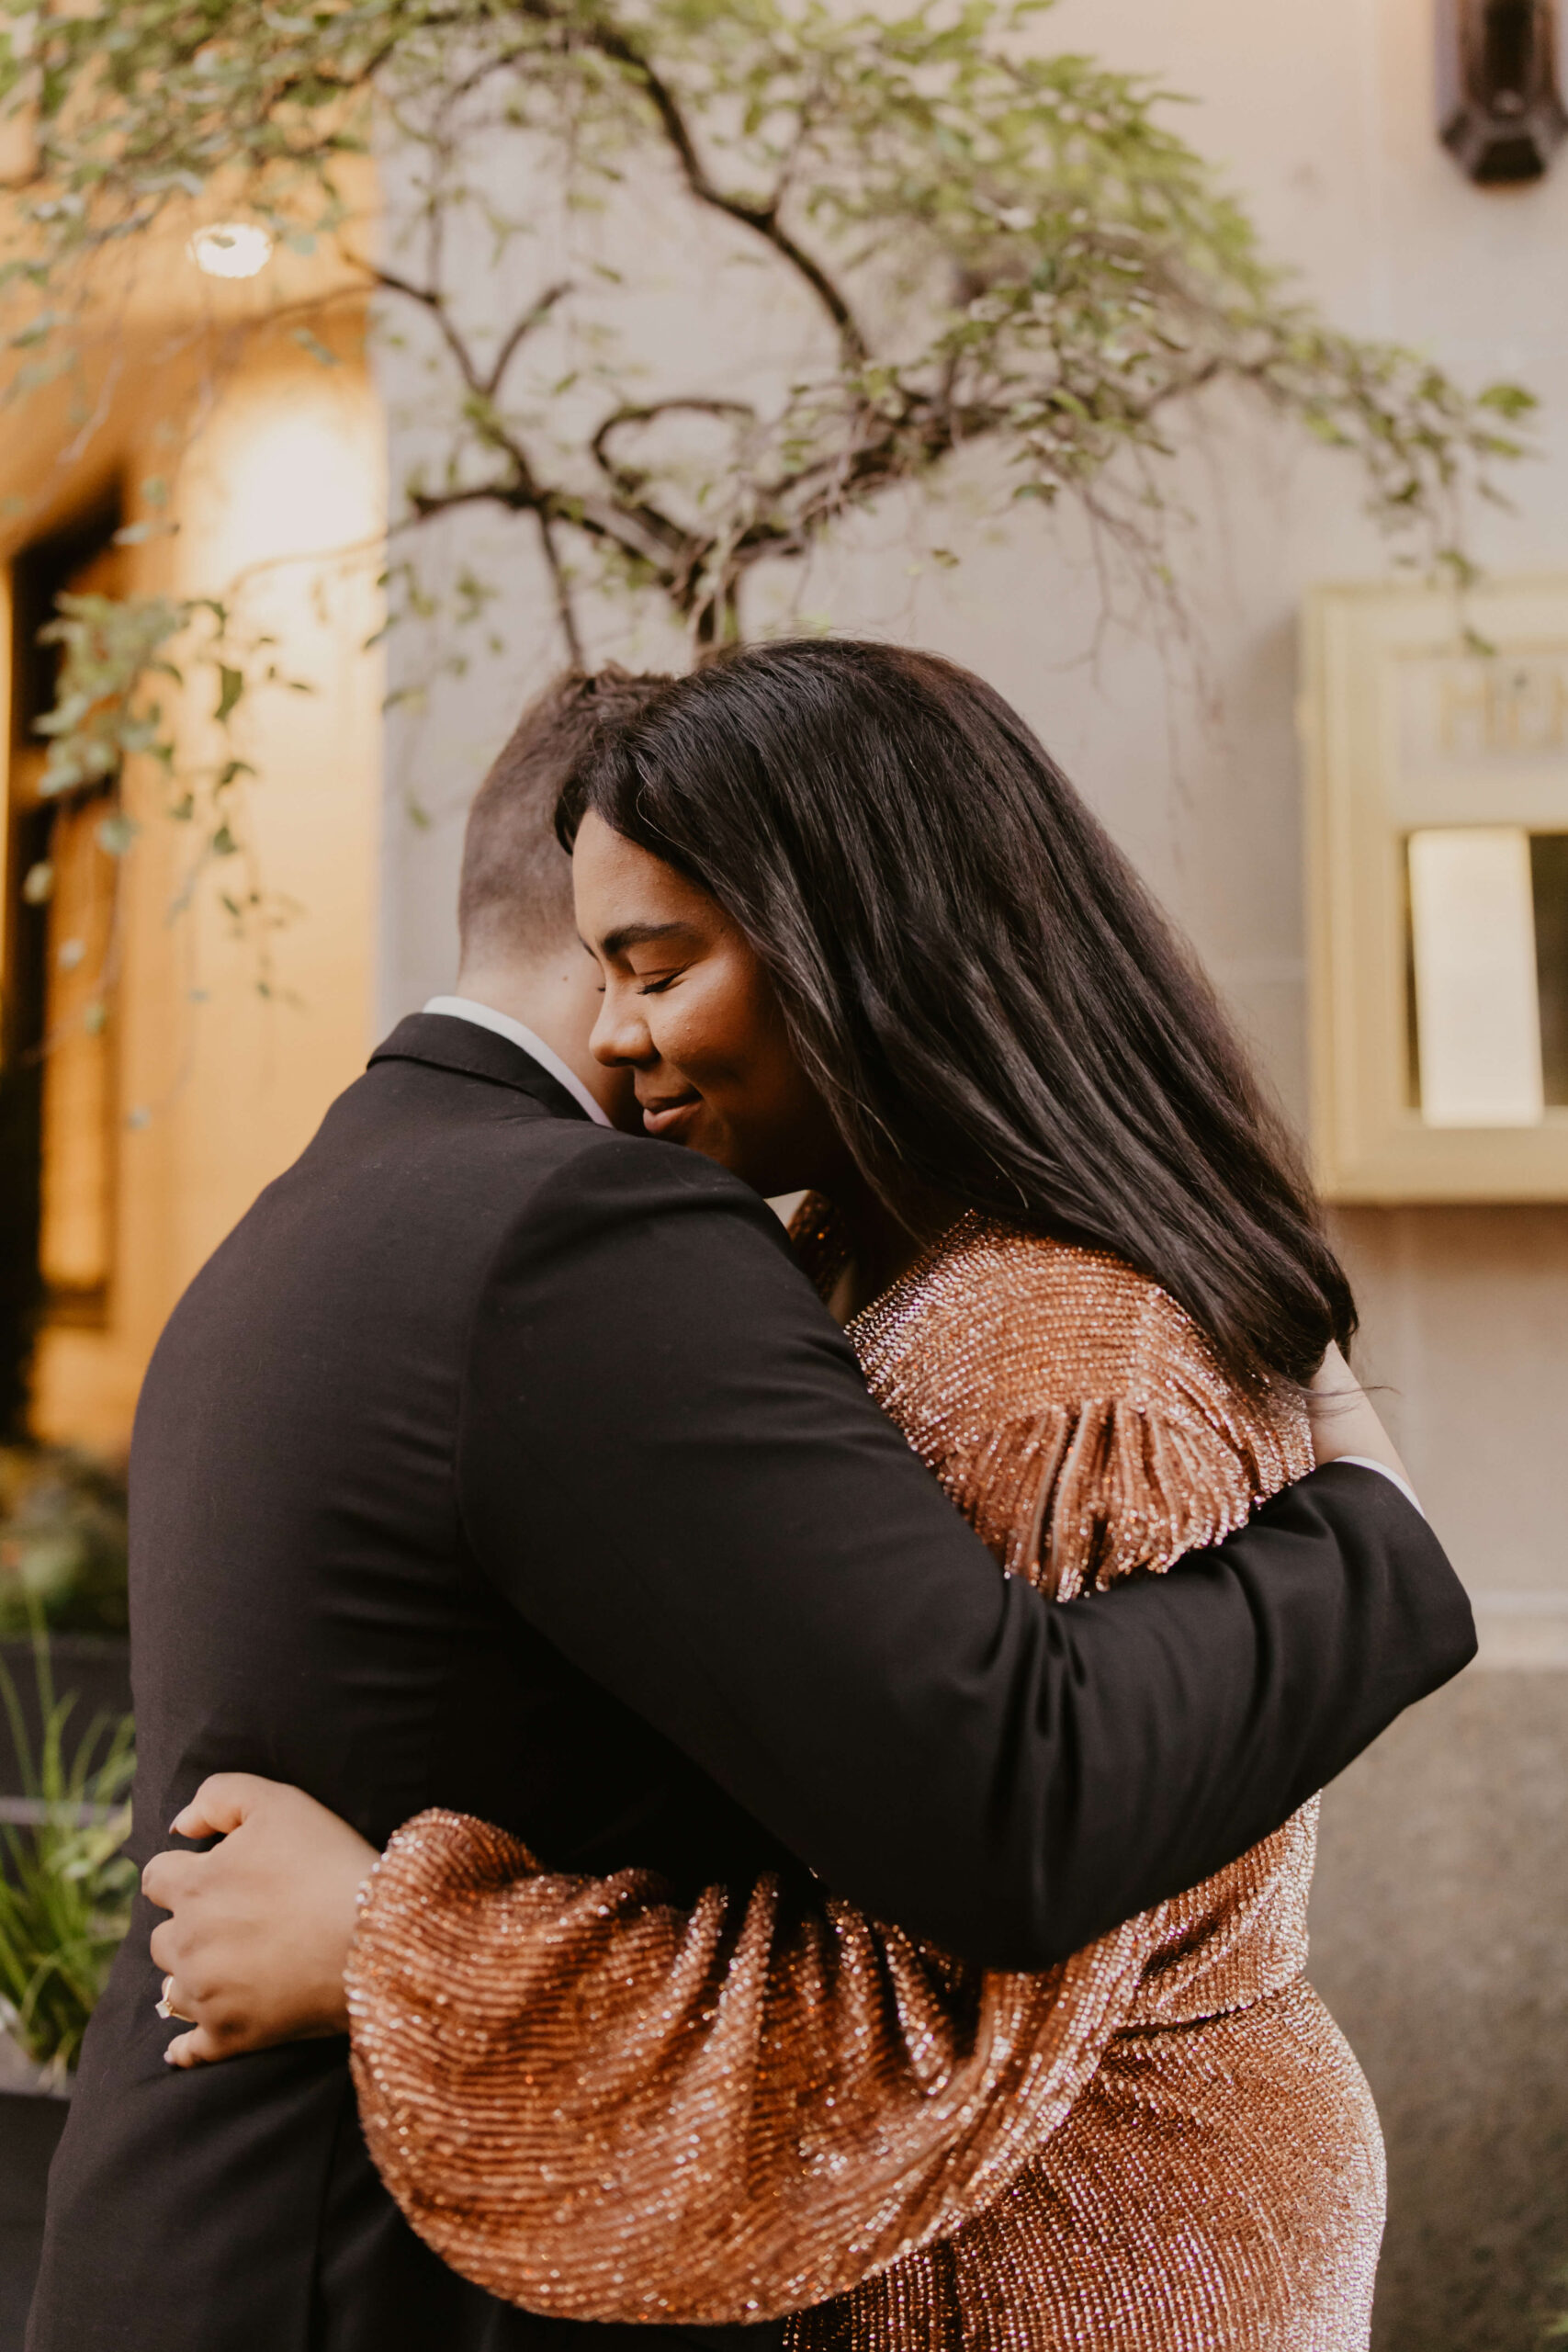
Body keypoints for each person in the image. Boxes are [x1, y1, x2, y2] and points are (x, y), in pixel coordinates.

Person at [39, 658, 1470, 2352]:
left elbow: (990, 1909)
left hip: (1083, 2258)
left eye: (652, 966)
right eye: (604, 968)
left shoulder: (1044, 1339)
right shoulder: (800, 1267)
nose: (614, 1030)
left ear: (866, 941)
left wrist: (390, 1941)